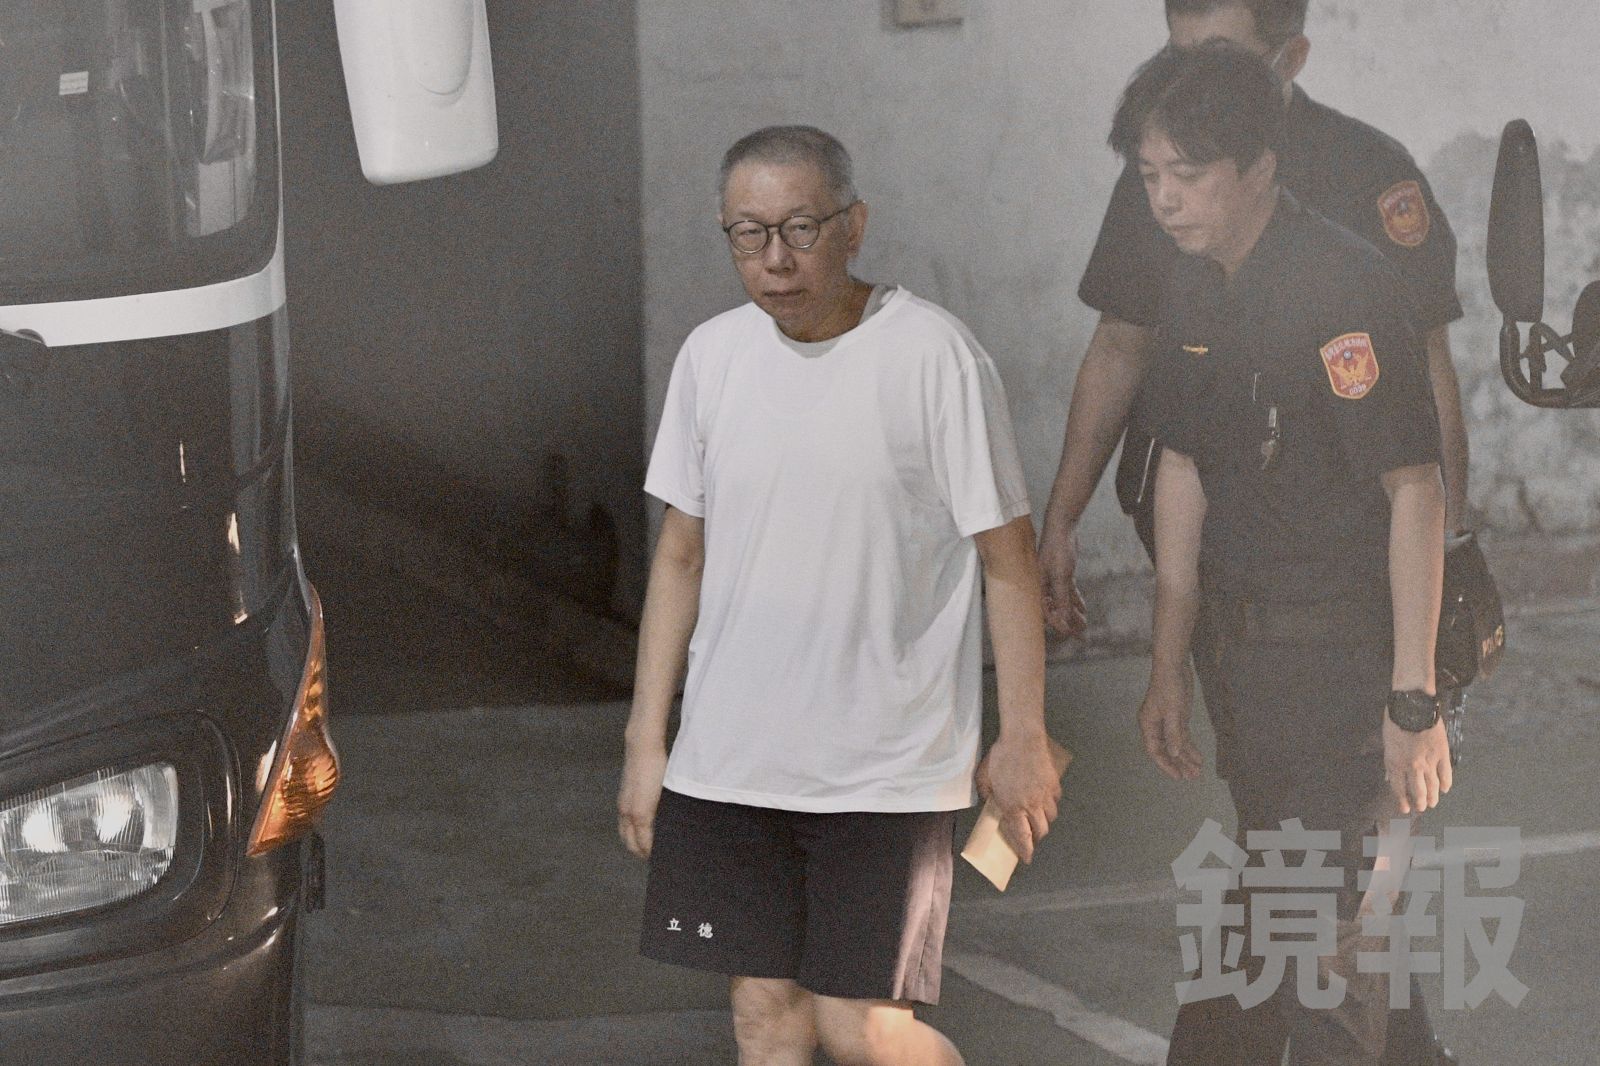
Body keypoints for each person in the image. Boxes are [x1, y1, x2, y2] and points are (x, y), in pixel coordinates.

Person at [616, 125, 1061, 1066]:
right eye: (748, 233)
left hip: (884, 769)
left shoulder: (935, 357)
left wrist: (1023, 736)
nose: (774, 259)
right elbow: (681, 556)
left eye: (800, 228)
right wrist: (647, 743)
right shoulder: (712, 357)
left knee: (860, 1028)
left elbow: (1009, 560)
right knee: (764, 1019)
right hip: (731, 762)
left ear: (854, 226)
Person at [1118, 44, 1453, 1063]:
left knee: (1322, 949)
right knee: (1294, 924)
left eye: (1189, 175)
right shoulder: (1192, 287)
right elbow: (1181, 466)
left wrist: (1412, 701)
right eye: (1149, 176)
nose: (1165, 199)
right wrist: (1168, 662)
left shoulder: (1342, 286)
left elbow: (1415, 490)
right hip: (1246, 666)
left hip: (1343, 669)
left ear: (1259, 166)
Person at [1037, 0, 1468, 633]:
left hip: (1342, 544)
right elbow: (1120, 344)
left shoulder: (1368, 172)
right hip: (1198, 520)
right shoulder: (1158, 172)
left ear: (1291, 58)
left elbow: (1428, 373)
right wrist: (1062, 518)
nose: (1191, 82)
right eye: (1177, 57)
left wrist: (1450, 543)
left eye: (1221, 58)